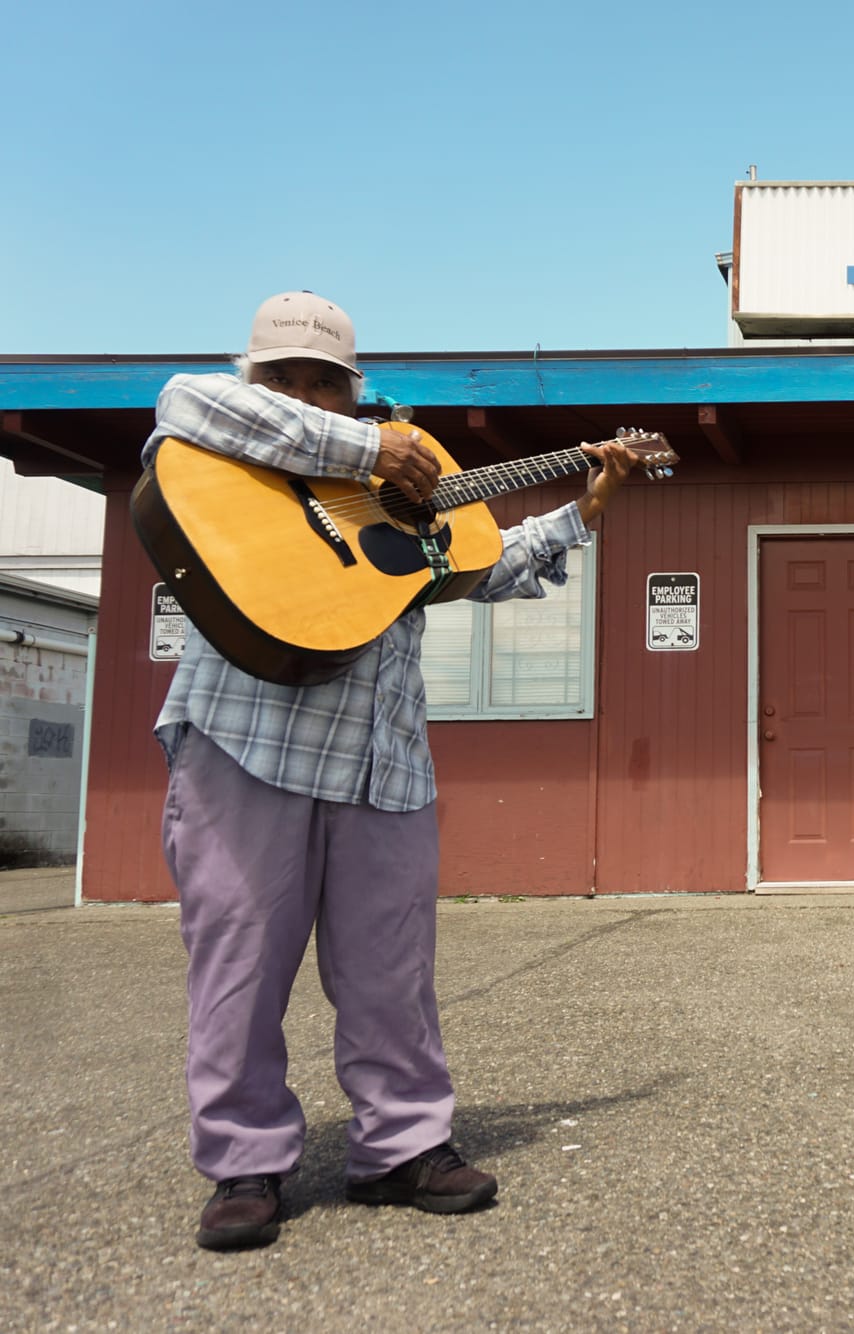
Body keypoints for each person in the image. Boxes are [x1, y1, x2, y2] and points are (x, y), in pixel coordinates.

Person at [147, 292, 645, 1251]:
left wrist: (584, 506)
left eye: (325, 382)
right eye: (283, 377)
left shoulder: (407, 482)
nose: (303, 394)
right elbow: (182, 401)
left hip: (384, 756)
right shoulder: (214, 428)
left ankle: (402, 1147)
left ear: (352, 387)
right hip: (249, 740)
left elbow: (477, 565)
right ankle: (245, 1162)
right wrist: (367, 449)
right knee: (239, 964)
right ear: (256, 381)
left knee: (393, 970)